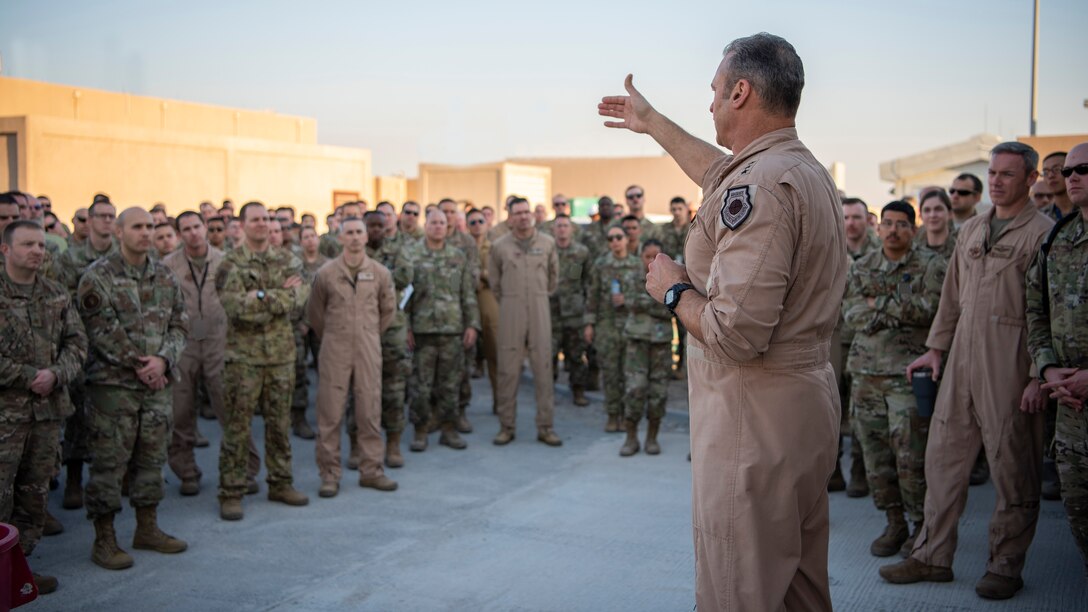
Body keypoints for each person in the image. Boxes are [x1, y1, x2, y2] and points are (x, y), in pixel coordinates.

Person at [601, 33, 846, 609]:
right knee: (797, 588)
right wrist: (652, 122)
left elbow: (736, 334)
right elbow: (718, 176)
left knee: (737, 587)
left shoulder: (760, 185)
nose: (709, 104)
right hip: (799, 407)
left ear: (740, 91)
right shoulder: (794, 168)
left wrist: (673, 290)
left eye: (714, 91)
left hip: (753, 418)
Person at [881, 142, 1054, 601]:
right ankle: (932, 556)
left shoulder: (1043, 234)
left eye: (1007, 174)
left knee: (1014, 467)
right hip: (960, 360)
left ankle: (1005, 565)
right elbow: (952, 298)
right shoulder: (973, 228)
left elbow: (1051, 310)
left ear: (1031, 179)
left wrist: (1041, 373)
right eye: (993, 172)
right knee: (942, 460)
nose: (996, 181)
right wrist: (936, 349)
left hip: (1012, 361)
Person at [77, 207, 189, 570]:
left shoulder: (164, 276)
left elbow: (179, 324)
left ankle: (147, 527)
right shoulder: (98, 277)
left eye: (151, 227)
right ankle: (105, 538)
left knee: (152, 460)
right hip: (114, 388)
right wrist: (142, 365)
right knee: (109, 463)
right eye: (137, 227)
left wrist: (164, 361)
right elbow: (100, 330)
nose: (146, 233)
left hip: (157, 385)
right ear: (120, 231)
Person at [843, 201, 945, 558]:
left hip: (907, 375)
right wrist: (892, 308)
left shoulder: (932, 265)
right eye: (887, 224)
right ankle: (894, 521)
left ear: (913, 230)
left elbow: (930, 310)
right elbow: (852, 314)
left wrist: (878, 304)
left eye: (902, 224)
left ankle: (921, 526)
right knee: (876, 457)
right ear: (879, 227)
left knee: (910, 456)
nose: (893, 230)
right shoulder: (862, 266)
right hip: (865, 373)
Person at [0, 220, 87, 593]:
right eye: (27, 244)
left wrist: (56, 374)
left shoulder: (55, 293)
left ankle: (18, 571)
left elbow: (77, 343)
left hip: (47, 413)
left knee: (34, 494)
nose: (38, 250)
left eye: (41, 244)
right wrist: (27, 375)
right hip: (6, 416)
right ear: (5, 249)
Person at [214, 202, 310, 521]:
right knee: (238, 427)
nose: (263, 224)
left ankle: (280, 482)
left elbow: (300, 298)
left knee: (279, 424)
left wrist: (258, 295)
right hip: (244, 358)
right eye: (255, 219)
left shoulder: (288, 259)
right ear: (242, 225)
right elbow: (234, 305)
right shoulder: (230, 263)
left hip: (281, 356)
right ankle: (231, 491)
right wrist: (271, 296)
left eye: (267, 219)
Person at [163, 212, 259, 497]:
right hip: (185, 342)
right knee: (181, 411)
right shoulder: (168, 266)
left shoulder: (226, 261)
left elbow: (245, 299)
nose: (193, 233)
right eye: (186, 229)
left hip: (220, 340)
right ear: (179, 234)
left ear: (205, 229)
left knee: (229, 408)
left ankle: (245, 468)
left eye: (197, 227)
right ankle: (187, 472)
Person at [1027, 141, 1088, 575]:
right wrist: (1047, 368)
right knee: (1079, 512)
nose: (1072, 178)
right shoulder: (1059, 237)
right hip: (1069, 405)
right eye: (1068, 171)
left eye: (1084, 169)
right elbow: (1036, 309)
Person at [309, 216, 397, 497]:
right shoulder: (326, 273)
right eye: (350, 232)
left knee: (369, 411)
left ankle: (372, 471)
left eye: (360, 232)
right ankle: (329, 475)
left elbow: (388, 312)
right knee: (330, 414)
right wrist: (337, 334)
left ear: (366, 237)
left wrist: (367, 333)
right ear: (340, 237)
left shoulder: (381, 272)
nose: (356, 237)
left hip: (368, 348)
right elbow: (315, 314)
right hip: (335, 347)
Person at [55, 199, 118, 512]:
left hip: (119, 348)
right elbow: (63, 304)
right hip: (85, 346)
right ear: (89, 221)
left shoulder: (123, 256)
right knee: (78, 415)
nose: (107, 222)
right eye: (101, 217)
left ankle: (123, 477)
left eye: (111, 217)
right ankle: (74, 480)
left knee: (120, 415)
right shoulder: (71, 258)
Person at [489, 197, 561, 447]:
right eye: (516, 212)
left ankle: (546, 427)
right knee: (508, 370)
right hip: (511, 309)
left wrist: (538, 296)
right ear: (509, 216)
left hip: (540, 308)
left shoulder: (548, 243)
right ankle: (506, 427)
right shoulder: (499, 246)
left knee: (543, 369)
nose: (522, 216)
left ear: (531, 214)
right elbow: (494, 284)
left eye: (525, 211)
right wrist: (513, 300)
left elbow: (554, 279)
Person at [405, 210, 479, 451]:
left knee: (450, 384)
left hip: (452, 329)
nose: (437, 227)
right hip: (422, 331)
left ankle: (448, 429)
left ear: (448, 227)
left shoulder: (457, 256)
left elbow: (467, 293)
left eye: (442, 223)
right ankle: (420, 431)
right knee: (421, 385)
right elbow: (403, 297)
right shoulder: (412, 254)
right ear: (425, 226)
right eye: (433, 223)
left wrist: (472, 324)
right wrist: (405, 327)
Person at [830, 197, 875, 497]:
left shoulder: (883, 253)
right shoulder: (831, 249)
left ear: (867, 220)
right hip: (834, 338)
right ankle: (832, 470)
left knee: (861, 409)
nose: (850, 223)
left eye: (856, 217)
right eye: (845, 217)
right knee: (832, 405)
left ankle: (861, 470)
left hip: (869, 342)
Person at [363, 210, 414, 469]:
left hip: (392, 328)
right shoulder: (354, 252)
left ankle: (393, 443)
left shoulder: (398, 250)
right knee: (360, 390)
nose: (375, 231)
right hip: (361, 328)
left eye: (379, 226)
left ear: (387, 228)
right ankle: (359, 444)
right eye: (370, 226)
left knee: (394, 388)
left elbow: (405, 277)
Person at [618, 238, 672, 456]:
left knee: (658, 392)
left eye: (655, 256)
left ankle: (652, 437)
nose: (651, 261)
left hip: (661, 342)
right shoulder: (631, 277)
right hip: (637, 341)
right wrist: (658, 300)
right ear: (640, 257)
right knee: (634, 389)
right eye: (647, 256)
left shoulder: (671, 280)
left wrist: (653, 302)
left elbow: (671, 308)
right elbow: (630, 301)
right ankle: (631, 437)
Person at [584, 226, 640, 431]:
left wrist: (628, 299)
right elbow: (592, 295)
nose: (615, 241)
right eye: (610, 238)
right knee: (610, 373)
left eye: (619, 237)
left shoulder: (637, 265)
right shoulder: (601, 265)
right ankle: (612, 414)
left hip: (630, 325)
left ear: (626, 239)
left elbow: (646, 295)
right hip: (606, 324)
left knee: (629, 373)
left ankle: (627, 416)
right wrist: (589, 323)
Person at [439, 198, 480, 432]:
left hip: (459, 312)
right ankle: (437, 414)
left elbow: (472, 276)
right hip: (432, 317)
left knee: (462, 368)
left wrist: (454, 280)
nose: (447, 216)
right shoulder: (426, 242)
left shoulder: (466, 243)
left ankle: (460, 412)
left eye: (451, 212)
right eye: (443, 212)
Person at [549, 215, 591, 407]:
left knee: (575, 354)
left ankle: (578, 391)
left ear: (571, 229)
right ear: (553, 229)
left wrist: (588, 313)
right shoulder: (547, 251)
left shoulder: (581, 252)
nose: (562, 229)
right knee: (549, 355)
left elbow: (588, 282)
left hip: (574, 312)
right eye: (559, 226)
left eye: (566, 226)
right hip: (551, 312)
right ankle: (548, 393)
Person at [468, 208, 500, 409]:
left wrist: (481, 275)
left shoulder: (496, 248)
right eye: (472, 222)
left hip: (489, 300)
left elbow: (499, 276)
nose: (477, 225)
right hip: (467, 299)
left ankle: (500, 400)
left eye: (481, 221)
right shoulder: (461, 248)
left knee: (495, 352)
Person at [916, 190, 956, 259]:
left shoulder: (961, 248)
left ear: (950, 213)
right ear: (920, 216)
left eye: (938, 209)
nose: (932, 215)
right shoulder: (912, 251)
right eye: (927, 210)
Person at [1039, 151, 1074, 221]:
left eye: (1057, 169)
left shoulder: (1084, 210)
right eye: (1045, 172)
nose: (1050, 176)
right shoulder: (1041, 216)